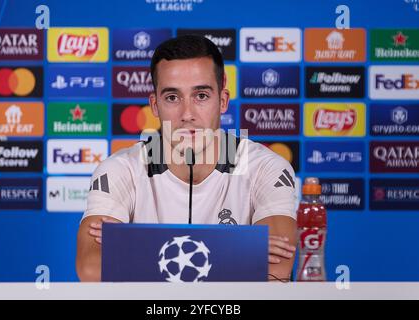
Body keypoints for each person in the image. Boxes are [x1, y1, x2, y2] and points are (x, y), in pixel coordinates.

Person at [76, 35, 297, 282]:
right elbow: (92, 269)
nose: (187, 114)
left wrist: (133, 247)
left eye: (201, 95)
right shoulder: (120, 169)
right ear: (155, 105)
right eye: (172, 97)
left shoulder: (266, 168)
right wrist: (240, 250)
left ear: (222, 100)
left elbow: (275, 271)